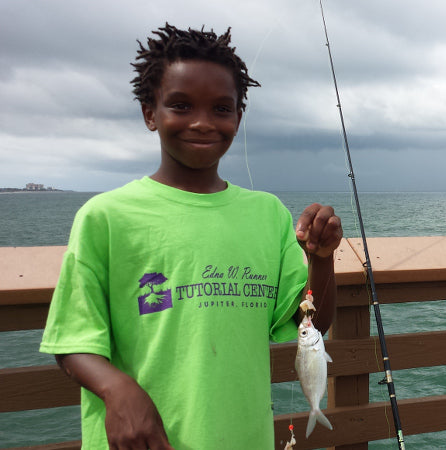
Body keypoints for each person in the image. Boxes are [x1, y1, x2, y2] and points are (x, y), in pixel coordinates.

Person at [39, 23, 343, 449]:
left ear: (239, 115)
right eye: (180, 106)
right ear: (150, 112)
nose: (202, 123)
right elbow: (71, 341)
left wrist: (322, 258)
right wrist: (116, 389)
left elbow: (313, 324)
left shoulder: (269, 215)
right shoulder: (105, 217)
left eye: (221, 108)